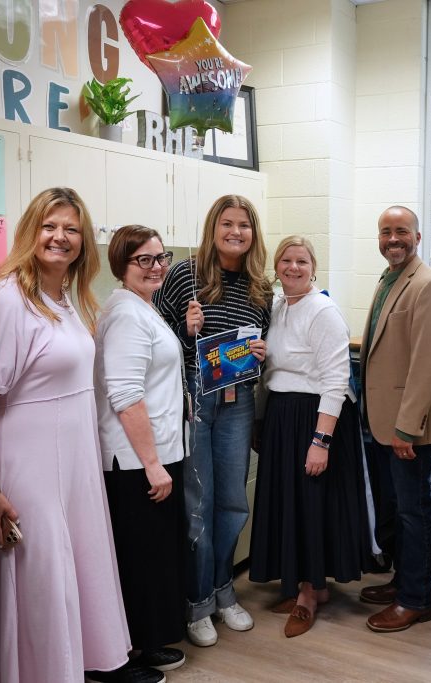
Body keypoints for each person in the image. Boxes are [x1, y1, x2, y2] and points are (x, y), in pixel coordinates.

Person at [0, 188, 150, 683]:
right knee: (36, 578)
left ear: (83, 241)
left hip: (72, 462)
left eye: (70, 229)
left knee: (69, 574)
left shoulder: (69, 297)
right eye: (49, 226)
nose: (59, 237)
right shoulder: (7, 298)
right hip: (27, 465)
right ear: (31, 232)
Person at [154, 195, 272, 647]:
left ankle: (224, 589)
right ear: (213, 228)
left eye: (244, 225)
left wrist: (262, 353)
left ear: (252, 233)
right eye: (227, 224)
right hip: (195, 400)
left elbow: (260, 343)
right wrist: (183, 329)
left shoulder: (261, 285)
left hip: (239, 399)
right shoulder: (186, 274)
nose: (235, 232)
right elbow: (156, 330)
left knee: (233, 503)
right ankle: (198, 600)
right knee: (197, 504)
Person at [248, 236, 372, 638]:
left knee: (312, 504)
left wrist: (321, 442)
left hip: (315, 418)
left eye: (302, 260)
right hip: (284, 416)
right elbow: (275, 370)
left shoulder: (323, 310)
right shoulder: (279, 306)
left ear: (313, 267)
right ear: (276, 266)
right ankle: (303, 584)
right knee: (292, 504)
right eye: (286, 260)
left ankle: (311, 592)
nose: (293, 267)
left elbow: (336, 382)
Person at [95, 225, 188, 676]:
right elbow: (125, 394)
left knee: (154, 557)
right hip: (134, 463)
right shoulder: (126, 315)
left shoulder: (144, 308)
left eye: (160, 257)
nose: (156, 267)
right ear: (122, 265)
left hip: (159, 452)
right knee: (137, 559)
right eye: (144, 260)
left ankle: (145, 641)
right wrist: (153, 465)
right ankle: (124, 655)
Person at [358, 206, 431, 633]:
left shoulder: (428, 285)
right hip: (381, 421)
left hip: (406, 427)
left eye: (401, 232)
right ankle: (404, 582)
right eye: (385, 232)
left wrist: (405, 427)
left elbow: (428, 363)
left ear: (417, 236)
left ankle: (417, 598)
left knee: (413, 511)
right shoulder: (388, 278)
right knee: (396, 508)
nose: (392, 239)